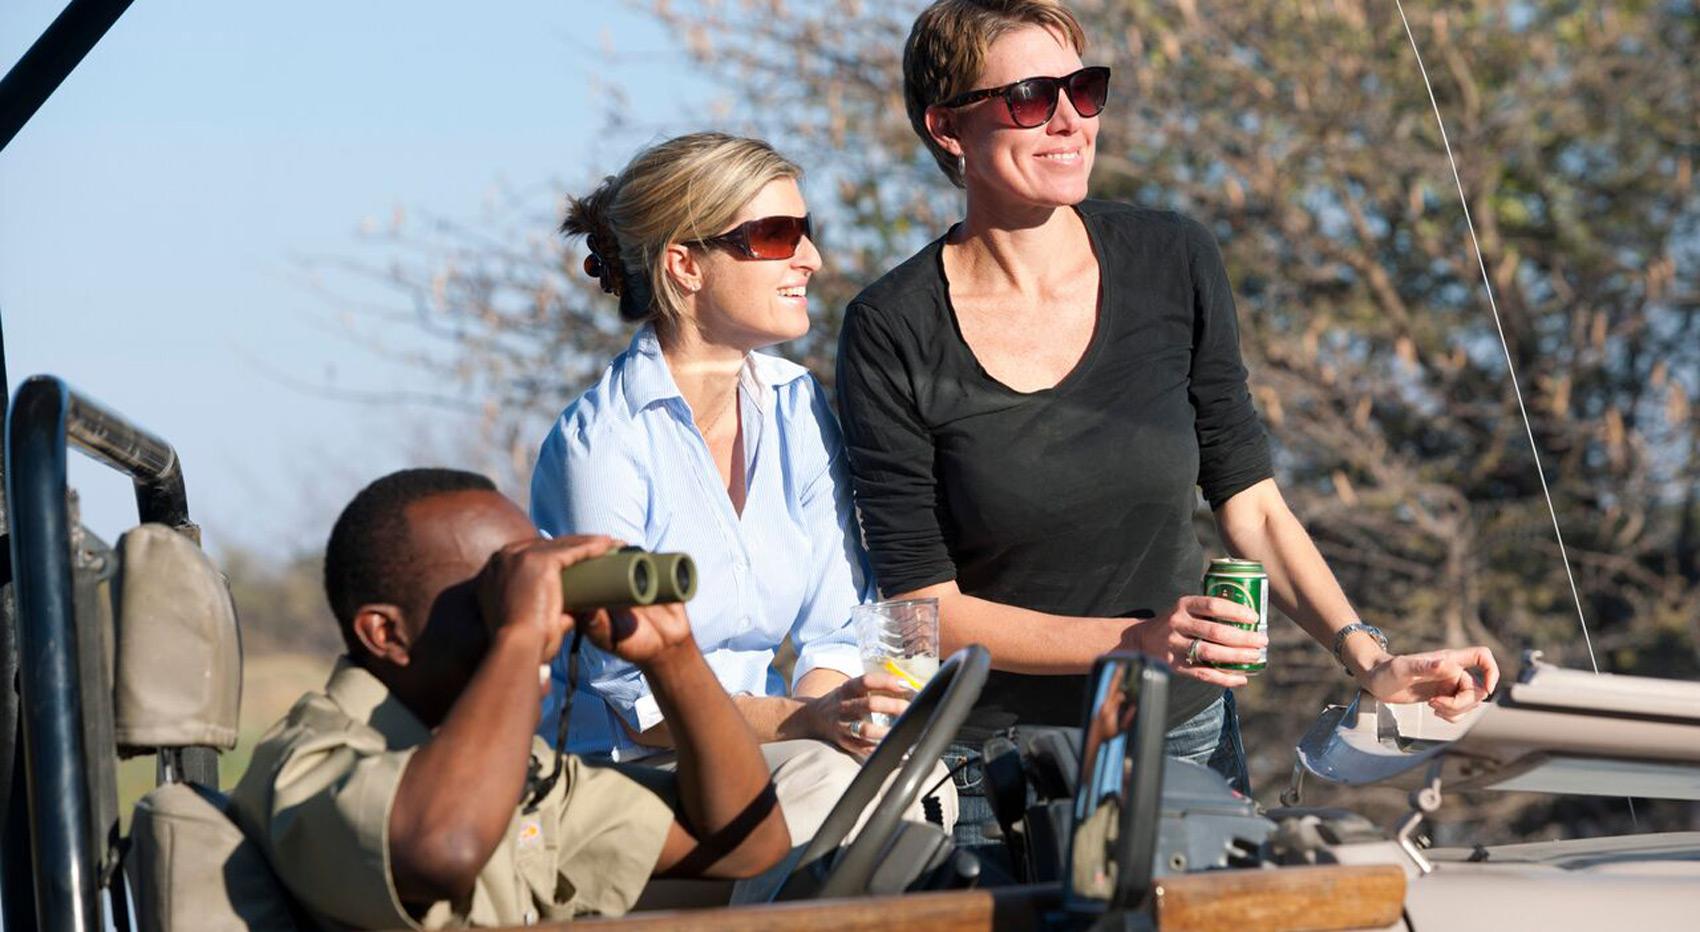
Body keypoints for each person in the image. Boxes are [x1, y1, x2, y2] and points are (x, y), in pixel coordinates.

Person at [834, 0, 1500, 854]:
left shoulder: (1172, 257)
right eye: (1031, 98)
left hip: (1180, 738)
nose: (1070, 119)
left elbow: (1250, 503)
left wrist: (1370, 661)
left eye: (1085, 89)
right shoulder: (890, 325)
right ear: (947, 126)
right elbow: (923, 605)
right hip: (983, 764)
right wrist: (1132, 641)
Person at [532, 131, 954, 845]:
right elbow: (638, 700)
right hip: (615, 785)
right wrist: (809, 724)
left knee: (916, 781)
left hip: (757, 754)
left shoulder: (798, 407)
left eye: (807, 232)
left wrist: (836, 719)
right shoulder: (601, 445)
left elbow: (836, 631)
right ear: (684, 264)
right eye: (775, 235)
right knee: (835, 795)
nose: (811, 258)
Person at [228, 469, 790, 929]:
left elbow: (749, 846)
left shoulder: (524, 774)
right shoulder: (309, 761)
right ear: (386, 634)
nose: (537, 609)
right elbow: (443, 846)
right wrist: (519, 636)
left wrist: (672, 657)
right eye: (496, 593)